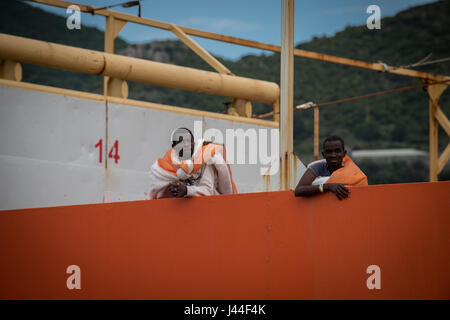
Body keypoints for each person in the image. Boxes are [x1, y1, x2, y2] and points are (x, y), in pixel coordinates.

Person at [148, 127, 237, 199]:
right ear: (174, 147)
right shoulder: (165, 167)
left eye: (188, 141)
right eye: (181, 142)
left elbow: (207, 191)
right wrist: (173, 189)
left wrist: (187, 190)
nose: (186, 145)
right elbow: (160, 195)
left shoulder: (204, 159)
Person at [294, 135, 368, 200]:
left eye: (337, 151)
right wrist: (328, 186)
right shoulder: (318, 167)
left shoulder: (353, 172)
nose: (333, 155)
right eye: (329, 152)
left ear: (344, 153)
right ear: (324, 154)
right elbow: (299, 190)